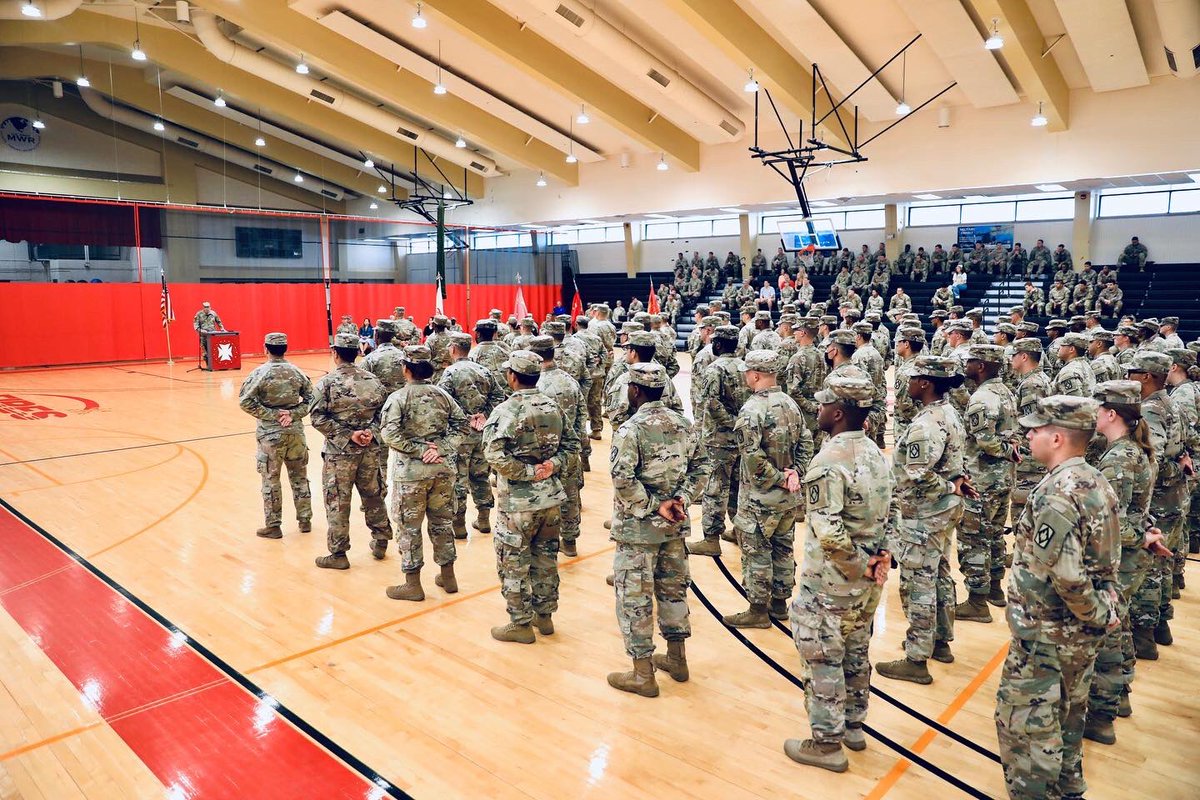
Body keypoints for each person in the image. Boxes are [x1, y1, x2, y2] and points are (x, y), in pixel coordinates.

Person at [995, 395, 1119, 800]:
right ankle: (1069, 790)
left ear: (1058, 437)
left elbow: (1067, 577)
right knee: (1067, 719)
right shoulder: (1094, 481)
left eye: (1036, 430)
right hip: (1075, 637)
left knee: (1026, 731)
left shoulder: (1057, 493)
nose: (1028, 435)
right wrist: (1101, 615)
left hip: (1049, 635)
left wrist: (1098, 614)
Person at [784, 375, 894, 772]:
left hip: (833, 581)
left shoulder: (828, 461)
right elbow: (892, 511)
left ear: (837, 412)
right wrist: (882, 556)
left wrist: (857, 563)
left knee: (822, 655)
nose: (817, 410)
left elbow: (828, 531)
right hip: (868, 581)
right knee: (855, 649)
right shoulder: (877, 454)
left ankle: (826, 743)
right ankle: (853, 726)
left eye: (822, 405)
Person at [606, 362, 709, 696]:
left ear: (634, 391)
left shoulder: (630, 430)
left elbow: (623, 479)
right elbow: (703, 466)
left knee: (634, 598)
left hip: (639, 531)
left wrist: (653, 505)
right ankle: (677, 660)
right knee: (673, 590)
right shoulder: (684, 423)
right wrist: (681, 499)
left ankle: (642, 674)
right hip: (675, 526)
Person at [1084, 380, 1172, 745]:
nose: (1093, 414)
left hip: (1121, 559)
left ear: (1110, 414)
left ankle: (1102, 715)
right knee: (1119, 628)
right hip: (1129, 555)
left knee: (1108, 633)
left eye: (1097, 408)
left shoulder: (1120, 458)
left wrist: (1144, 537)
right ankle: (1119, 697)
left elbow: (1113, 523)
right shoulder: (1127, 449)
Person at [877, 356, 974, 682]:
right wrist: (955, 483)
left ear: (926, 384)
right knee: (940, 573)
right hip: (943, 511)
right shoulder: (949, 414)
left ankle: (916, 658)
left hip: (924, 513)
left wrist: (949, 484)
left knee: (918, 581)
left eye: (913, 378)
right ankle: (940, 641)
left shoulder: (926, 424)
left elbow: (915, 475)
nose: (908, 383)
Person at [483, 350, 576, 643]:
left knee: (513, 561)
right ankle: (545, 617)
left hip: (518, 505)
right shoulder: (553, 407)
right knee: (546, 558)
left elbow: (493, 454)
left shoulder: (506, 411)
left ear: (512, 376)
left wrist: (527, 472)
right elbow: (573, 445)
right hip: (551, 499)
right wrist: (551, 466)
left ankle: (520, 624)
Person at [723, 350, 812, 628]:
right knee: (783, 549)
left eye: (747, 372)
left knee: (758, 551)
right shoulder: (790, 404)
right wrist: (796, 473)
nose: (745, 376)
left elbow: (752, 458)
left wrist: (779, 478)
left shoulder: (752, 409)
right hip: (787, 498)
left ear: (756, 375)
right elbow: (806, 442)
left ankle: (758, 610)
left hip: (760, 498)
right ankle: (780, 603)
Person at [379, 345, 469, 601]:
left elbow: (389, 434)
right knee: (442, 523)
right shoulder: (443, 394)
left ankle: (412, 584)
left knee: (409, 527)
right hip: (442, 470)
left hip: (411, 474)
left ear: (406, 369)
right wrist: (440, 447)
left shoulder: (398, 398)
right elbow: (461, 426)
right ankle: (448, 576)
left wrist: (418, 450)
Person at [1127, 351, 1194, 659]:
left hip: (1160, 499)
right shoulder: (1174, 402)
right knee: (1164, 564)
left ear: (1146, 377)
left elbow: (1152, 460)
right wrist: (1182, 465)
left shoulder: (1152, 408)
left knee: (1148, 567)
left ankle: (1142, 636)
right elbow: (1188, 444)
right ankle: (1161, 625)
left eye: (1133, 373)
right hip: (1176, 497)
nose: (1128, 377)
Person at [309, 332, 394, 569]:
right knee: (373, 496)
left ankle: (338, 554)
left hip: (339, 454)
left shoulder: (326, 383)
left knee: (338, 501)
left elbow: (316, 417)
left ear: (335, 353)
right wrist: (370, 433)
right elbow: (384, 414)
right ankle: (380, 541)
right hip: (369, 450)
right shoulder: (373, 381)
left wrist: (349, 435)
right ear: (358, 352)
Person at [956, 345, 1020, 622]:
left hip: (981, 478)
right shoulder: (1004, 390)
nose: (966, 365)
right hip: (1002, 478)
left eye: (971, 361)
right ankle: (995, 589)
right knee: (994, 534)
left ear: (981, 366)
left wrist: (1008, 450)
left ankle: (977, 602)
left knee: (974, 539)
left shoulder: (982, 398)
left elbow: (986, 442)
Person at [238, 332, 313, 540]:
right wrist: (292, 414)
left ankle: (273, 525)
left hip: (270, 436)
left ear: (266, 348)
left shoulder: (259, 373)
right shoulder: (297, 372)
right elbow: (311, 399)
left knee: (271, 480)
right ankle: (305, 520)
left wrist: (273, 415)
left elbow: (245, 401)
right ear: (285, 348)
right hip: (295, 433)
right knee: (300, 477)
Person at [688, 325, 749, 557]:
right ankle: (739, 530)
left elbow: (711, 404)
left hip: (719, 439)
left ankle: (711, 539)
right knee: (737, 486)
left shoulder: (715, 369)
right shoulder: (746, 366)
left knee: (715, 487)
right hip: (742, 438)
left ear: (719, 344)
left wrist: (730, 421)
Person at [439, 333, 505, 540]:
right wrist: (484, 415)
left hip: (459, 436)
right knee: (480, 476)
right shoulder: (484, 371)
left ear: (453, 349)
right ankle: (484, 519)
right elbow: (499, 395)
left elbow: (443, 403)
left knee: (458, 478)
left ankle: (459, 524)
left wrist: (464, 418)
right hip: (481, 432)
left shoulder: (450, 373)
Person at [528, 335, 586, 558]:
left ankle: (543, 543)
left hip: (543, 454)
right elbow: (582, 415)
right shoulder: (569, 381)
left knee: (543, 498)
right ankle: (569, 541)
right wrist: (578, 443)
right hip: (569, 450)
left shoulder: (535, 385)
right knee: (570, 495)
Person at [193, 301, 224, 368]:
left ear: (210, 307)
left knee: (214, 350)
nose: (206, 308)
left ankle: (214, 365)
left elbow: (219, 321)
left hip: (212, 336)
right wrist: (200, 330)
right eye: (205, 307)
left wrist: (222, 328)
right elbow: (196, 325)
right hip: (203, 336)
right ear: (203, 308)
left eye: (208, 307)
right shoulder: (199, 314)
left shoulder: (213, 313)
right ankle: (208, 365)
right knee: (205, 352)